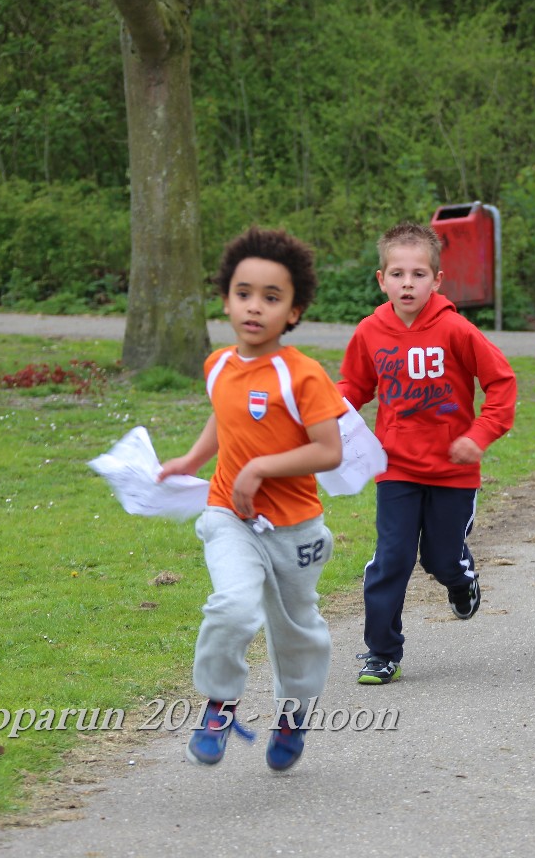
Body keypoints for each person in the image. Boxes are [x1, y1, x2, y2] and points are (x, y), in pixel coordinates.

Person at [158, 226, 346, 772]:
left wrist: (261, 467)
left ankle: (292, 717)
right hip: (230, 516)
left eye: (271, 297)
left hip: (295, 531)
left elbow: (329, 450)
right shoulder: (218, 364)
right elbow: (225, 416)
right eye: (243, 294)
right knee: (233, 606)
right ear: (225, 300)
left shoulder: (303, 376)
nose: (254, 307)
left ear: (294, 311)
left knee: (297, 635)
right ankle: (219, 705)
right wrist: (193, 460)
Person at [338, 222, 517, 684]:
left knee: (439, 558)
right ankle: (382, 652)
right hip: (395, 466)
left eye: (418, 274)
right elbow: (353, 386)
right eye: (397, 274)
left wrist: (478, 435)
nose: (407, 283)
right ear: (382, 279)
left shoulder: (456, 329)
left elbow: (501, 383)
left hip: (453, 471)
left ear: (436, 280)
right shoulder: (370, 331)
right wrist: (326, 410)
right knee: (391, 558)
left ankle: (461, 579)